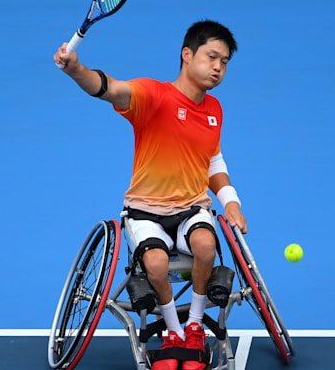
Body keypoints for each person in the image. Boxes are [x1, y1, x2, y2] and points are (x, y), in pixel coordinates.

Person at [54, 20, 247, 370]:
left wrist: (230, 202)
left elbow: (213, 160)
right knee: (155, 264)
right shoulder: (153, 96)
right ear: (187, 55)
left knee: (206, 245)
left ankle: (194, 327)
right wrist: (77, 70)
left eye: (225, 62)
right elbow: (110, 88)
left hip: (191, 207)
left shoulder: (214, 110)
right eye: (211, 57)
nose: (218, 67)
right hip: (145, 210)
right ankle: (173, 331)